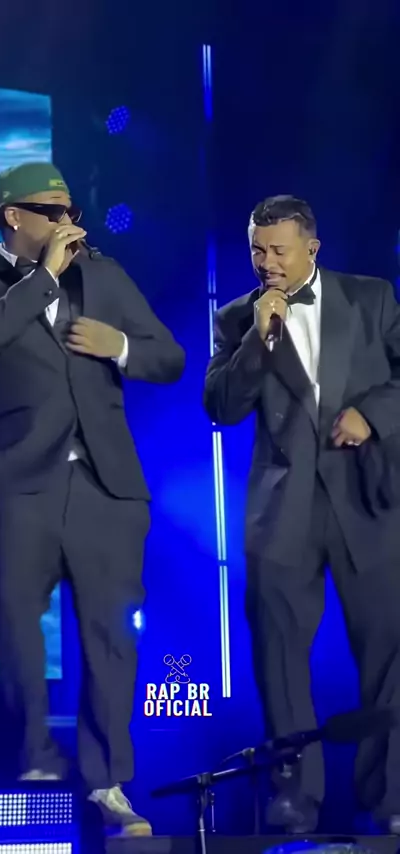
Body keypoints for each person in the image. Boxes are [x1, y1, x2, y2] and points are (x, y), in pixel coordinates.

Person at [0, 162, 185, 836]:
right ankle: (34, 753)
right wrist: (44, 277)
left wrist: (121, 345)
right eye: (51, 212)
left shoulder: (104, 276)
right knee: (15, 623)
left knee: (112, 638)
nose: (66, 222)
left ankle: (109, 782)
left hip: (106, 485)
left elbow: (169, 358)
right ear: (14, 217)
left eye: (70, 210)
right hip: (24, 484)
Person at [204, 195, 400, 833]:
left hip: (365, 499)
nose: (267, 262)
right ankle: (294, 795)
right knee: (279, 654)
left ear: (311, 248)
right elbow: (220, 406)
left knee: (390, 651)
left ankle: (390, 795)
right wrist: (258, 339)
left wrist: (373, 415)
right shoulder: (237, 316)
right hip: (281, 510)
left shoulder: (371, 299)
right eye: (256, 250)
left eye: (279, 250)